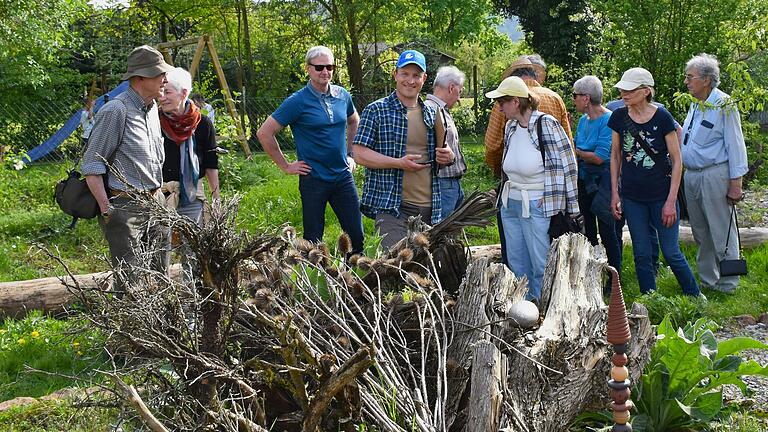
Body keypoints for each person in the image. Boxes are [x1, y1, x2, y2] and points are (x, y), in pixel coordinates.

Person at [81, 45, 174, 291]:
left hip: (156, 202)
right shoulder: (115, 110)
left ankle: (163, 329)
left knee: (160, 277)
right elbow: (92, 165)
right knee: (130, 284)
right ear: (140, 77)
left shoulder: (153, 109)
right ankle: (129, 330)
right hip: (125, 207)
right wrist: (107, 209)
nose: (165, 78)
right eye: (159, 74)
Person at [257, 46, 364, 254]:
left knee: (356, 235)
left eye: (330, 66)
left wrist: (352, 155)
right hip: (313, 178)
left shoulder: (342, 95)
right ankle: (317, 283)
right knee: (313, 239)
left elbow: (354, 121)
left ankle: (351, 282)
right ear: (308, 69)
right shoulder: (297, 101)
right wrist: (285, 166)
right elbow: (264, 133)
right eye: (319, 67)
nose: (325, 72)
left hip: (342, 176)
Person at [608, 67, 701, 297]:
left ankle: (694, 295)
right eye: (622, 89)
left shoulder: (662, 117)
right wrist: (615, 194)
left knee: (671, 252)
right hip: (632, 197)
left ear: (645, 91)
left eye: (629, 90)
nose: (624, 94)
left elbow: (677, 161)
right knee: (641, 252)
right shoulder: (619, 116)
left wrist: (671, 201)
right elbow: (616, 155)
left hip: (661, 195)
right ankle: (649, 299)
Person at [486, 76, 579, 303]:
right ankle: (521, 306)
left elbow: (568, 164)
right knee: (516, 260)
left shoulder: (545, 124)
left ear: (516, 102)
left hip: (537, 203)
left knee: (540, 262)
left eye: (502, 102)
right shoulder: (511, 127)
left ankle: (543, 306)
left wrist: (571, 207)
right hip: (512, 203)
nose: (499, 108)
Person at [353, 49, 455, 249]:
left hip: (429, 207)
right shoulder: (376, 110)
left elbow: (444, 152)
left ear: (424, 78)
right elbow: (359, 153)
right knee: (396, 266)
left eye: (416, 75)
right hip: (393, 207)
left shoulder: (431, 113)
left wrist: (448, 156)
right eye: (405, 74)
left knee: (425, 269)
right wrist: (398, 163)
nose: (410, 80)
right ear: (395, 75)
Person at [682, 53, 749, 293]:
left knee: (722, 230)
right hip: (691, 176)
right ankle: (708, 282)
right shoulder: (695, 104)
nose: (686, 82)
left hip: (715, 175)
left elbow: (736, 145)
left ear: (707, 79)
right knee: (701, 232)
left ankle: (729, 283)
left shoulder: (725, 104)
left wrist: (736, 183)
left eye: (690, 77)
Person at [572, 76, 622, 287]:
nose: (573, 100)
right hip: (584, 181)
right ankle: (592, 273)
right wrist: (582, 153)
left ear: (586, 98)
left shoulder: (609, 120)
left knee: (608, 231)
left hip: (603, 182)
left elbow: (601, 156)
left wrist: (578, 153)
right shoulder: (584, 121)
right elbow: (581, 148)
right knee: (588, 230)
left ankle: (614, 278)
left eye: (575, 96)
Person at [159, 67, 220, 226]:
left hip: (192, 196)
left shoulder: (203, 123)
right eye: (162, 92)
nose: (162, 98)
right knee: (162, 246)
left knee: (192, 247)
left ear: (184, 93)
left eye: (168, 92)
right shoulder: (154, 121)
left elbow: (211, 162)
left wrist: (216, 199)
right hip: (160, 196)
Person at [424, 66, 467, 215]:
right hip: (442, 184)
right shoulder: (431, 110)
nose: (459, 98)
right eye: (459, 92)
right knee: (442, 234)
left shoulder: (440, 110)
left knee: (450, 233)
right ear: (451, 88)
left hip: (450, 183)